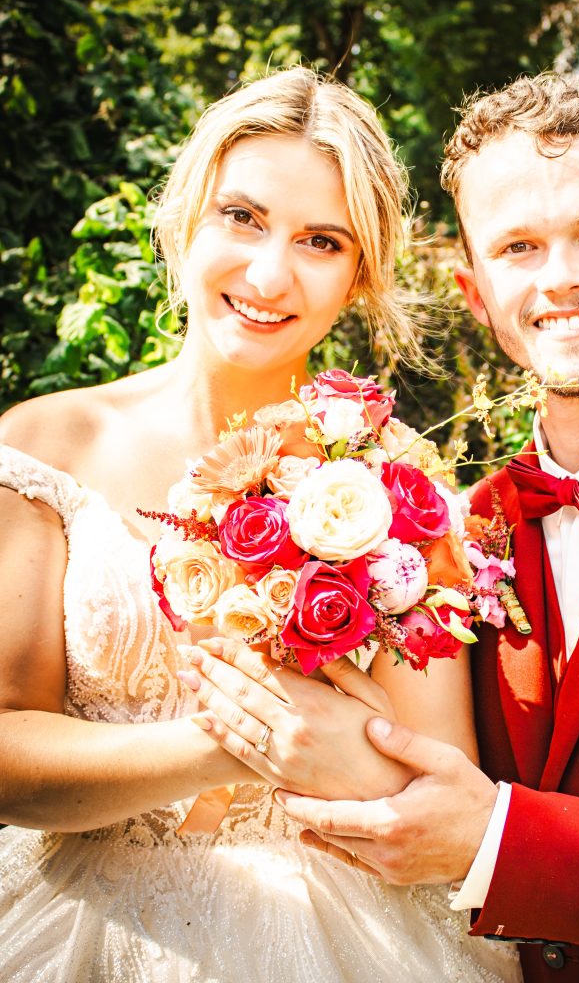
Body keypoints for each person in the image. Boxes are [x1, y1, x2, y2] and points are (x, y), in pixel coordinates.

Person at [180, 73, 579, 982]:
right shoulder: (449, 532)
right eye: (518, 247)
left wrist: (496, 844)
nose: (560, 278)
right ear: (473, 290)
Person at [0, 67, 521, 983]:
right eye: (242, 217)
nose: (270, 274)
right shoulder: (45, 446)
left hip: (344, 928)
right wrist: (229, 742)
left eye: (321, 241)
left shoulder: (395, 480)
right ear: (185, 218)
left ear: (358, 277)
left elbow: (436, 775)